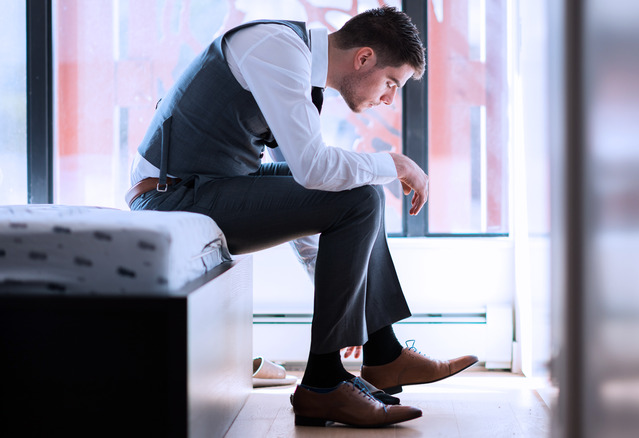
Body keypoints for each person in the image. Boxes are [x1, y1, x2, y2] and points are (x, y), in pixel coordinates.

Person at [126, 6, 477, 428]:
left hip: (209, 184)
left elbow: (310, 186)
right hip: (172, 196)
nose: (388, 98)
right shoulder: (274, 49)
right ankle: (324, 383)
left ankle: (382, 354)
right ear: (363, 58)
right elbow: (314, 171)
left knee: (357, 192)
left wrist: (343, 304)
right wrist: (396, 163)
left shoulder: (298, 73)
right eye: (391, 83)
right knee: (361, 197)